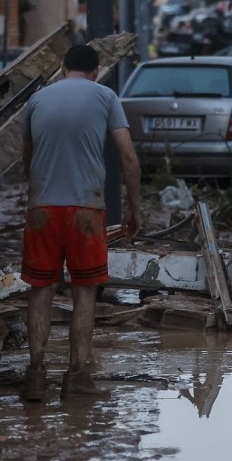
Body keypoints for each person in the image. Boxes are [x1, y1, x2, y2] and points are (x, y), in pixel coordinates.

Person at [20, 45, 142, 402]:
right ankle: (77, 378)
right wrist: (135, 209)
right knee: (83, 293)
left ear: (62, 66)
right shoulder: (105, 96)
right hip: (86, 211)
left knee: (40, 292)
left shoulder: (37, 100)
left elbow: (28, 163)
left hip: (42, 208)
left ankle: (36, 377)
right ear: (96, 70)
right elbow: (129, 158)